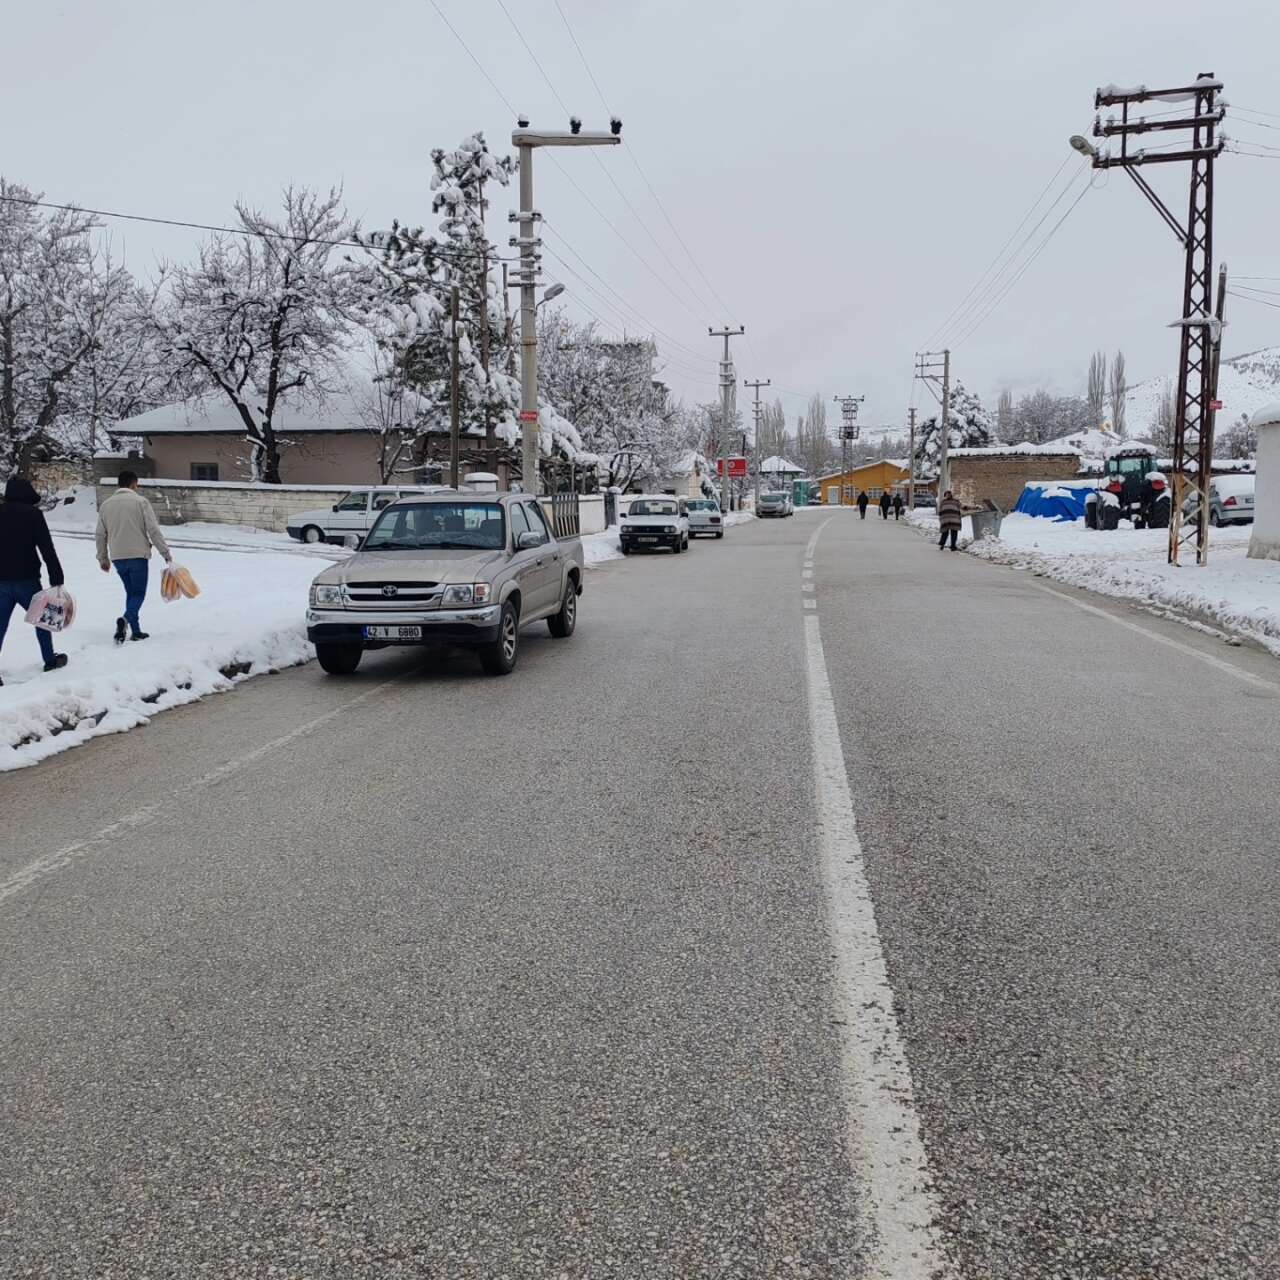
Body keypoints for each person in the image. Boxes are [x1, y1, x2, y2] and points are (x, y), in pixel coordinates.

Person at [0, 476, 68, 684]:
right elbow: (46, 547)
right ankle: (49, 659)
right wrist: (56, 576)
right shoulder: (33, 514)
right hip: (27, 579)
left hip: (1, 580)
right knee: (42, 620)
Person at [96, 470, 172, 643]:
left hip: (117, 557)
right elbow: (153, 530)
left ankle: (136, 631)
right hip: (138, 555)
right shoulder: (140, 502)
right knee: (138, 594)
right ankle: (126, 619)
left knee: (131, 593)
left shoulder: (106, 505)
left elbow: (100, 534)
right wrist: (165, 553)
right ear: (134, 484)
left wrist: (103, 558)